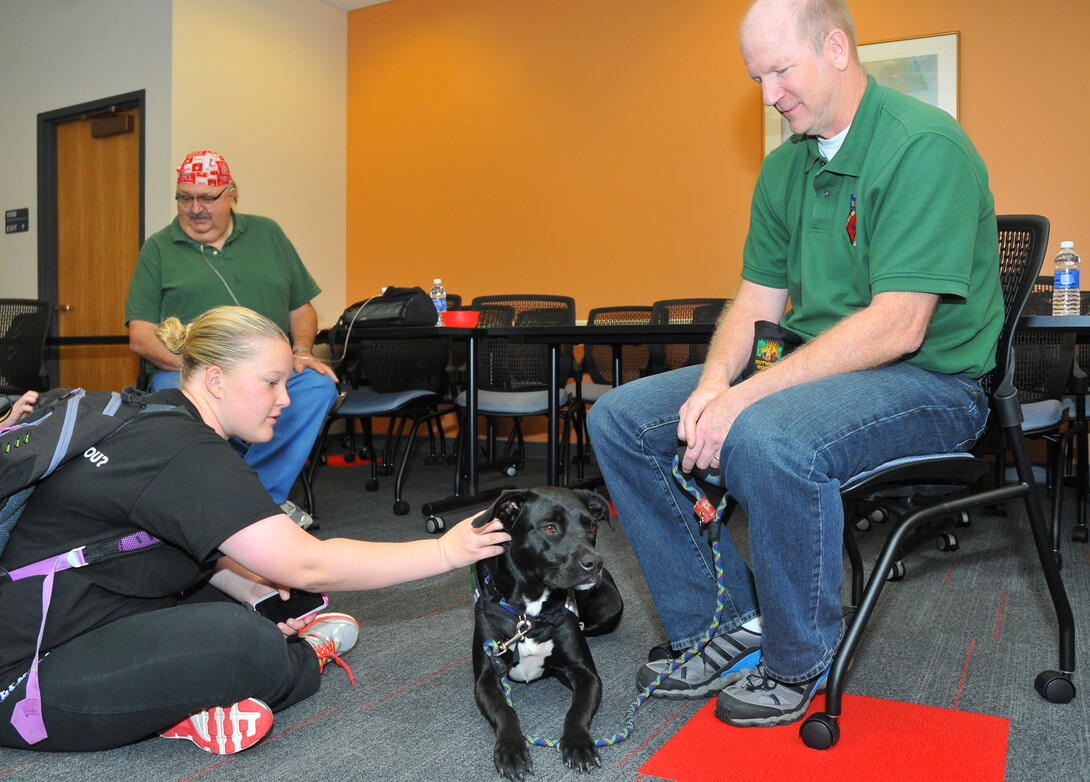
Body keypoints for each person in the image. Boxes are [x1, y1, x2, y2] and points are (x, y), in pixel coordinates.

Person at [587, 0, 1002, 729]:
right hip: (818, 366)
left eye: (781, 70)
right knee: (621, 419)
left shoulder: (923, 146)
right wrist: (716, 383)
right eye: (755, 75)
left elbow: (899, 326)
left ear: (836, 48)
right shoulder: (786, 167)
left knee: (766, 431)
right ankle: (724, 624)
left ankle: (799, 652)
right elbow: (753, 299)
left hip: (933, 383)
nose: (768, 92)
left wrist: (746, 402)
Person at [0, 306, 510, 754]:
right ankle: (297, 660)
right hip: (25, 678)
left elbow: (161, 541)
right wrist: (445, 551)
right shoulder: (185, 452)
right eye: (271, 382)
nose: (285, 399)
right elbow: (310, 562)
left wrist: (251, 588)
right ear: (216, 381)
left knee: (245, 603)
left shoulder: (151, 417)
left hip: (73, 616)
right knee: (247, 645)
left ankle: (186, 700)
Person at [125, 150, 338, 528]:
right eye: (184, 197)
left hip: (267, 370)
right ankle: (219, 502)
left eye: (207, 197)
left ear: (232, 194)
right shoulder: (158, 249)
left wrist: (301, 349)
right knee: (188, 395)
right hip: (188, 371)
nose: (195, 208)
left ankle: (257, 500)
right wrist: (199, 367)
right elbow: (141, 338)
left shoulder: (268, 233)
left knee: (317, 386)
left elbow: (301, 308)